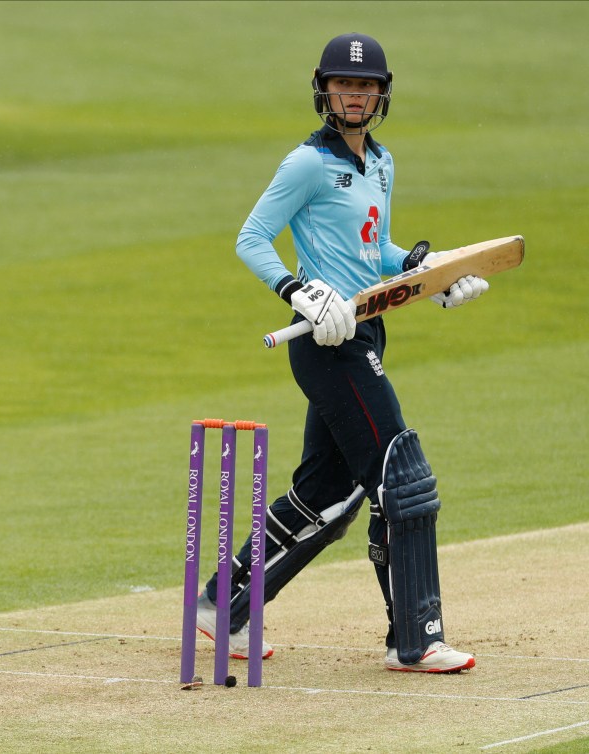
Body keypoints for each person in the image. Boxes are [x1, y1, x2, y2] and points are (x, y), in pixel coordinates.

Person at [194, 33, 483, 673]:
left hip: (366, 331)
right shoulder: (305, 164)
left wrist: (423, 272)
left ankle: (220, 605)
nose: (354, 96)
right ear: (324, 90)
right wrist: (298, 290)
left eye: (366, 86)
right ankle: (416, 638)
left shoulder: (380, 162)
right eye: (344, 85)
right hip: (326, 342)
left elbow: (369, 252)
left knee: (330, 493)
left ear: (382, 94)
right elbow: (252, 237)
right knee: (399, 479)